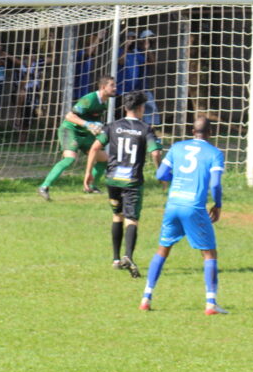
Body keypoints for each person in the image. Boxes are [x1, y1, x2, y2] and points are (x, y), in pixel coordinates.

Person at [140, 116, 228, 315]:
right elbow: (215, 184)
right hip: (194, 206)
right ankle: (211, 304)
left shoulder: (177, 147)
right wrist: (218, 204)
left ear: (192, 131)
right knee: (209, 254)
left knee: (163, 249)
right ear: (211, 133)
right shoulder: (214, 153)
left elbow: (160, 174)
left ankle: (146, 297)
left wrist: (177, 179)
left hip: (173, 204)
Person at [84, 90, 164, 277]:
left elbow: (95, 147)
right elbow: (155, 152)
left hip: (112, 178)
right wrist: (160, 173)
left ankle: (115, 259)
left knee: (117, 216)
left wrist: (88, 173)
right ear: (140, 108)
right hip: (132, 181)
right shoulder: (145, 128)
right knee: (132, 218)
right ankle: (127, 256)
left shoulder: (112, 126)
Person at [38, 75, 118, 200]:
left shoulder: (103, 103)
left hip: (85, 134)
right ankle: (44, 187)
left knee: (104, 159)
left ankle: (90, 186)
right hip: (70, 130)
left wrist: (97, 127)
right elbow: (69, 116)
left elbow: (92, 121)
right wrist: (88, 125)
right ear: (103, 87)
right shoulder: (89, 99)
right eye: (112, 85)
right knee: (70, 158)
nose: (115, 88)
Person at [117, 29, 158, 126]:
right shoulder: (120, 51)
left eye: (133, 38)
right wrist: (126, 46)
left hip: (138, 89)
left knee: (148, 111)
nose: (131, 41)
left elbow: (152, 63)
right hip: (122, 90)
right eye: (129, 38)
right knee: (122, 114)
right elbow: (120, 61)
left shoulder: (138, 53)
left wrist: (147, 48)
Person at [75, 28, 106, 100]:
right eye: (95, 45)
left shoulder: (92, 59)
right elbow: (88, 53)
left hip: (86, 94)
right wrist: (98, 38)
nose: (96, 47)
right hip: (77, 94)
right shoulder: (80, 53)